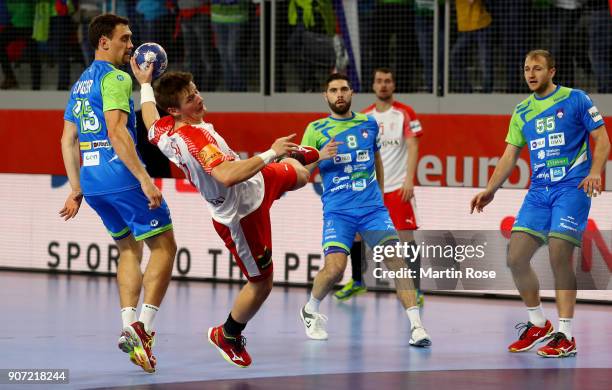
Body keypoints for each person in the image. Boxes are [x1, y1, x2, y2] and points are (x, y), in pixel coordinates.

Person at [130, 65, 321, 367]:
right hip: (241, 215)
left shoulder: (166, 131)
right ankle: (228, 334)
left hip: (258, 181)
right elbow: (226, 175)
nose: (199, 99)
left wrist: (144, 84)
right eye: (191, 98)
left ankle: (290, 161)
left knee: (300, 174)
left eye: (195, 91)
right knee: (263, 283)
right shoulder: (195, 140)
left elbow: (150, 118)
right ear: (176, 110)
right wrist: (270, 153)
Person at [470, 49, 610, 358]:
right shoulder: (522, 111)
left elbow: (602, 139)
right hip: (538, 192)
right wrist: (491, 189)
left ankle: (566, 334)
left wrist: (596, 171)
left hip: (571, 187)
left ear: (552, 71)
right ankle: (538, 323)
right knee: (515, 256)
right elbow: (509, 155)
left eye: (537, 68)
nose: (531, 74)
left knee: (560, 253)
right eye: (526, 69)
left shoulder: (576, 99)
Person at [59, 14, 177, 373]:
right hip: (120, 175)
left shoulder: (81, 83)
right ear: (103, 43)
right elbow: (117, 131)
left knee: (129, 247)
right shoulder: (115, 78)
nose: (131, 46)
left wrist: (76, 189)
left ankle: (129, 328)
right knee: (165, 246)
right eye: (124, 39)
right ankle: (144, 329)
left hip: (93, 182)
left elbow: (67, 140)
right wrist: (144, 178)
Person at [299, 73, 431, 347]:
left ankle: (417, 327)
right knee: (335, 269)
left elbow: (377, 159)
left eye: (344, 89)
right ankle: (310, 309)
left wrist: (380, 196)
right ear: (326, 96)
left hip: (372, 209)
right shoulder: (315, 129)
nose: (339, 94)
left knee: (397, 260)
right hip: (338, 211)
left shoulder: (368, 124)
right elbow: (300, 171)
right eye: (333, 90)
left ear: (351, 93)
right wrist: (318, 157)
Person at [335, 68, 424, 305]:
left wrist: (409, 179)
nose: (383, 85)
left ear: (393, 85)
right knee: (354, 234)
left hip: (397, 187)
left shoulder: (405, 114)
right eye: (378, 81)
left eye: (387, 81)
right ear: (373, 86)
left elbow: (414, 146)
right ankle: (356, 281)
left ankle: (416, 288)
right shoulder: (364, 117)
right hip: (370, 190)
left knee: (406, 238)